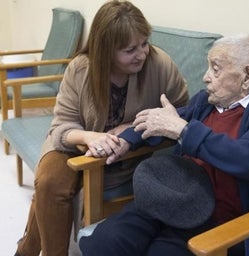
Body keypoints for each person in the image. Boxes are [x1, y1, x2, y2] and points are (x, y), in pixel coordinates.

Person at [79, 34, 249, 256]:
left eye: (215, 69)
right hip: (174, 197)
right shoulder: (207, 101)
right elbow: (169, 122)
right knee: (105, 242)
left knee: (161, 251)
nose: (206, 77)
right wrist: (126, 141)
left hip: (222, 221)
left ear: (246, 76)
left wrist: (183, 130)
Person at [14, 1, 189, 256]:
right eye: (130, 49)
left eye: (144, 43)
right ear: (106, 50)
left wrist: (132, 126)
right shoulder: (80, 69)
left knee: (46, 191)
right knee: (50, 183)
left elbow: (182, 110)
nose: (141, 53)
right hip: (70, 145)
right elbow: (63, 126)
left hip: (120, 155)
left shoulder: (159, 64)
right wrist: (89, 136)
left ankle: (26, 251)